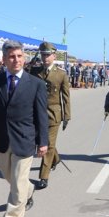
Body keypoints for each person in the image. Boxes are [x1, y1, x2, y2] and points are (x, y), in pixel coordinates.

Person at [0, 40, 48, 217]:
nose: (16, 60)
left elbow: (41, 116)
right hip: (2, 140)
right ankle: (29, 190)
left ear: (24, 58)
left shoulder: (36, 84)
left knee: (17, 184)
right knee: (10, 177)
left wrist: (42, 142)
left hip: (25, 140)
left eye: (19, 56)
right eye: (11, 56)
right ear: (4, 59)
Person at [29, 41, 71, 190]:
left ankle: (43, 176)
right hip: (36, 114)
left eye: (48, 55)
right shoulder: (35, 71)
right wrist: (29, 64)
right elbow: (24, 79)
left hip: (53, 115)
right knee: (41, 141)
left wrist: (67, 116)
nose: (45, 58)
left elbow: (65, 97)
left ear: (54, 56)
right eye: (43, 55)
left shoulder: (61, 74)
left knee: (49, 145)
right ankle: (56, 158)